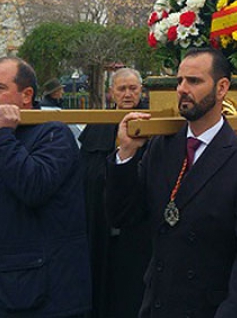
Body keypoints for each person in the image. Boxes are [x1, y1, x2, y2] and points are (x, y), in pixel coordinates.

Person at [106, 48, 237, 317]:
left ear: (221, 88)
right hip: (161, 304)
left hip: (212, 308)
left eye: (194, 81)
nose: (183, 89)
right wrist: (125, 154)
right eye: (179, 81)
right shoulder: (161, 148)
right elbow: (125, 215)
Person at [0, 57, 90, 317]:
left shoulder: (53, 134)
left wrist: (3, 135)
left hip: (35, 295)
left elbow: (33, 186)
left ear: (27, 95)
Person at [78, 68, 151, 318]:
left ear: (141, 91)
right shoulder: (97, 126)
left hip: (138, 233)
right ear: (111, 93)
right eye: (122, 89)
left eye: (133, 88)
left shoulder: (154, 125)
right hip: (100, 230)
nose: (128, 94)